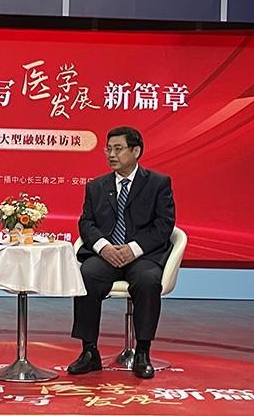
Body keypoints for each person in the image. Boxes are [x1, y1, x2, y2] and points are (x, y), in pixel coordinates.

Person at [68, 126, 175, 379]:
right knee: (87, 276)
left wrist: (133, 249)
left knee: (148, 281)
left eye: (118, 149)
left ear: (136, 151)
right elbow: (87, 223)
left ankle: (142, 353)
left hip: (142, 255)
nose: (111, 155)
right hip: (107, 255)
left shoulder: (158, 183)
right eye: (108, 149)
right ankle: (89, 351)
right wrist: (104, 247)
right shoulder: (96, 186)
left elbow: (164, 225)